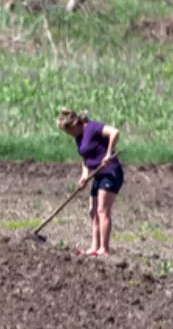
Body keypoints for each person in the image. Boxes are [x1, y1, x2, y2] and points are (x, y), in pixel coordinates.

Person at [58, 108, 122, 257]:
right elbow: (85, 158)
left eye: (69, 131)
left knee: (102, 210)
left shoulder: (92, 128)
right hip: (97, 174)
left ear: (75, 124)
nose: (69, 135)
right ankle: (95, 247)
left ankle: (104, 249)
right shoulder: (78, 137)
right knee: (92, 211)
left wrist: (108, 154)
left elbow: (115, 132)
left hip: (110, 172)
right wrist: (84, 176)